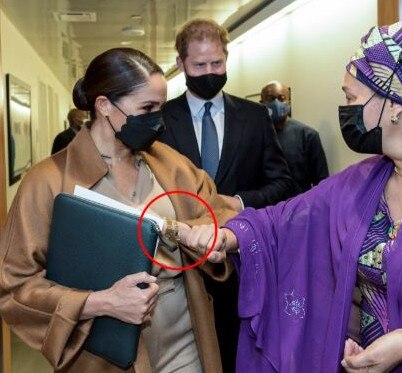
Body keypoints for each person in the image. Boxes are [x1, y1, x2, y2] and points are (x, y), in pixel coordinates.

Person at [186, 22, 402, 372]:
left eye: (351, 97)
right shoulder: (362, 181)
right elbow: (280, 221)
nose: (344, 108)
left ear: (395, 102)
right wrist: (226, 236)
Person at [0, 47, 238, 373]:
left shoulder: (169, 163)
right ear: (104, 107)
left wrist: (211, 234)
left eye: (161, 107)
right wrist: (100, 302)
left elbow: (222, 213)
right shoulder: (47, 182)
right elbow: (14, 288)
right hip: (103, 357)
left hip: (186, 344)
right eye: (147, 108)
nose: (158, 119)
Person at [158, 18, 294, 372]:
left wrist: (239, 202)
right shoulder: (160, 119)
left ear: (226, 59)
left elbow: (282, 183)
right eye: (199, 65)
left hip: (242, 262)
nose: (209, 72)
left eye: (216, 63)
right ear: (181, 64)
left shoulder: (254, 116)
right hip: (180, 263)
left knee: (237, 353)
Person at [260, 80, 329, 195]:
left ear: (289, 102)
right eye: (271, 98)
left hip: (297, 209)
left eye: (281, 98)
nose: (276, 103)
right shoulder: (252, 136)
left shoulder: (308, 136)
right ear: (261, 103)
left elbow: (322, 183)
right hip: (263, 209)